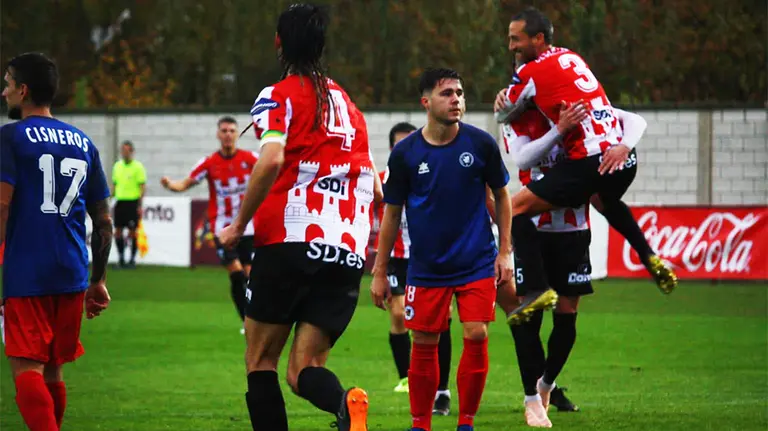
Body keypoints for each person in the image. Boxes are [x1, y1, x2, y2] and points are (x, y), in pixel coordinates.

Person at [216, 4, 379, 431]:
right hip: (346, 247)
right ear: (322, 46)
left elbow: (271, 160)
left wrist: (237, 224)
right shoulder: (348, 106)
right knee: (303, 369)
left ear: (278, 44)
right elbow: (376, 186)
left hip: (289, 239)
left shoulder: (278, 94)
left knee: (261, 361)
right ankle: (345, 402)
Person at [495, 7, 677, 322]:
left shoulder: (530, 72)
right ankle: (650, 257)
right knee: (602, 198)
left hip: (589, 162)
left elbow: (504, 112)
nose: (511, 46)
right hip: (622, 160)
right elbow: (632, 118)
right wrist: (623, 146)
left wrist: (506, 102)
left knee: (513, 209)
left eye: (516, 39)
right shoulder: (571, 58)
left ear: (538, 38)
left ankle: (537, 289)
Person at [493, 94, 650, 426]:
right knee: (529, 314)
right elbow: (523, 160)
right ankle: (531, 399)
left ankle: (547, 383)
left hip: (574, 230)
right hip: (534, 230)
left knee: (567, 315)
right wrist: (559, 130)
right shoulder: (519, 121)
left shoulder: (583, 109)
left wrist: (622, 146)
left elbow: (633, 120)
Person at [371, 67, 513, 431]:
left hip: (477, 261)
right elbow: (391, 215)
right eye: (447, 93)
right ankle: (421, 423)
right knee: (424, 339)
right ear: (426, 102)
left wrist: (505, 252)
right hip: (427, 267)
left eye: (460, 93)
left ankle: (466, 422)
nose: (456, 100)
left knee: (477, 333)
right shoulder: (404, 154)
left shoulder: (481, 144)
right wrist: (380, 270)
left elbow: (502, 195)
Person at [0, 52, 112, 431]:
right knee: (52, 369)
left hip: (27, 268)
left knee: (25, 367)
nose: (4, 91)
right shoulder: (83, 141)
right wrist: (98, 279)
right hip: (71, 270)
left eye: (8, 83)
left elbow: (1, 205)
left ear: (23, 90)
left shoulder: (10, 136)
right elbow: (104, 222)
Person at [373, 122, 454, 416]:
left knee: (440, 319)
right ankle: (408, 377)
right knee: (399, 313)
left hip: (431, 257)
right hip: (397, 258)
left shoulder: (434, 174)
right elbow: (374, 213)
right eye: (399, 145)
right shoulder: (382, 180)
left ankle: (442, 390)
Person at [160, 116, 257, 326]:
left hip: (248, 228)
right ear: (218, 134)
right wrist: (170, 185)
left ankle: (255, 321)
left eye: (232, 130)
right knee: (237, 275)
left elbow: (272, 171)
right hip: (222, 228)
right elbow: (185, 183)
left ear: (237, 133)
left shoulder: (250, 159)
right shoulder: (209, 163)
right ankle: (247, 322)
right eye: (224, 131)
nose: (228, 135)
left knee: (251, 277)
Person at [111, 140, 147, 268]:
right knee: (118, 231)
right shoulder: (117, 166)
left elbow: (142, 186)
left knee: (133, 231)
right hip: (120, 202)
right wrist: (111, 200)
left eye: (127, 151)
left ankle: (132, 259)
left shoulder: (138, 167)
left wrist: (139, 205)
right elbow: (114, 185)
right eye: (123, 151)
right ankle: (121, 258)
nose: (124, 153)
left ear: (131, 152)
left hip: (132, 202)